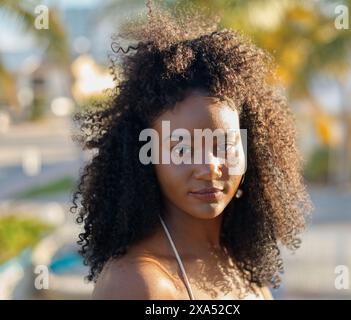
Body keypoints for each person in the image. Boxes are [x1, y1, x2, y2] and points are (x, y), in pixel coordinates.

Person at [71, 2, 312, 300]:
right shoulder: (138, 283)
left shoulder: (236, 263)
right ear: (147, 159)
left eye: (224, 145)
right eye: (182, 149)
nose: (210, 166)